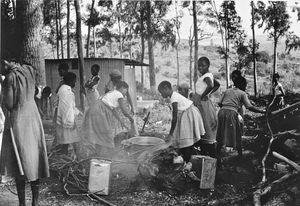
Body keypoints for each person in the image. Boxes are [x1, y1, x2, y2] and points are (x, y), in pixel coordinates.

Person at [0, 60, 49, 206]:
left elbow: (9, 103)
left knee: (19, 160)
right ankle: (35, 201)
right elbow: (33, 92)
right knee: (35, 159)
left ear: (5, 62)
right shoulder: (29, 70)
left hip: (19, 119)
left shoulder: (10, 77)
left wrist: (3, 93)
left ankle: (22, 203)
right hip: (33, 117)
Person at [82, 81, 135, 159]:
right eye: (126, 90)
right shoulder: (119, 94)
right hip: (100, 111)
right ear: (122, 88)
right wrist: (131, 119)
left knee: (99, 133)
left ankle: (99, 154)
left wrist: (121, 121)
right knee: (106, 133)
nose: (126, 93)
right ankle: (111, 155)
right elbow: (124, 111)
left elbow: (113, 110)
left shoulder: (112, 93)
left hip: (94, 109)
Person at [216, 75, 265, 158]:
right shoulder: (242, 93)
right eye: (245, 85)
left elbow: (220, 103)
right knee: (237, 133)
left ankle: (216, 155)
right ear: (242, 84)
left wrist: (226, 109)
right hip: (231, 113)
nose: (245, 87)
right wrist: (262, 111)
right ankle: (240, 156)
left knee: (221, 133)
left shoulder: (228, 90)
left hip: (221, 112)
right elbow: (249, 107)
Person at [158, 81, 205, 162]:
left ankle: (187, 160)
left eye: (161, 92)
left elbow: (174, 118)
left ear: (166, 88)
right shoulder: (174, 96)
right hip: (188, 113)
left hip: (190, 114)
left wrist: (170, 134)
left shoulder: (174, 98)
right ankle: (187, 157)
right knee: (183, 138)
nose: (161, 95)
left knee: (186, 140)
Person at [193, 56, 220, 158]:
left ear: (208, 65)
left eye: (203, 65)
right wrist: (208, 94)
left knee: (206, 126)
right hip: (201, 104)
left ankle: (212, 156)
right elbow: (217, 84)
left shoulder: (207, 76)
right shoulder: (207, 75)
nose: (200, 67)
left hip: (203, 104)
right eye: (199, 65)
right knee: (203, 126)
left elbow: (211, 85)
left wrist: (204, 95)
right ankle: (206, 154)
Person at [56, 72, 81, 155]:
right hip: (67, 120)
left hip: (63, 118)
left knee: (65, 142)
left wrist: (78, 112)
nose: (75, 83)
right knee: (72, 140)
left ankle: (66, 155)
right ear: (71, 81)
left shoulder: (63, 89)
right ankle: (73, 157)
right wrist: (71, 122)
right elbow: (67, 109)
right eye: (75, 81)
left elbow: (70, 106)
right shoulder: (67, 91)